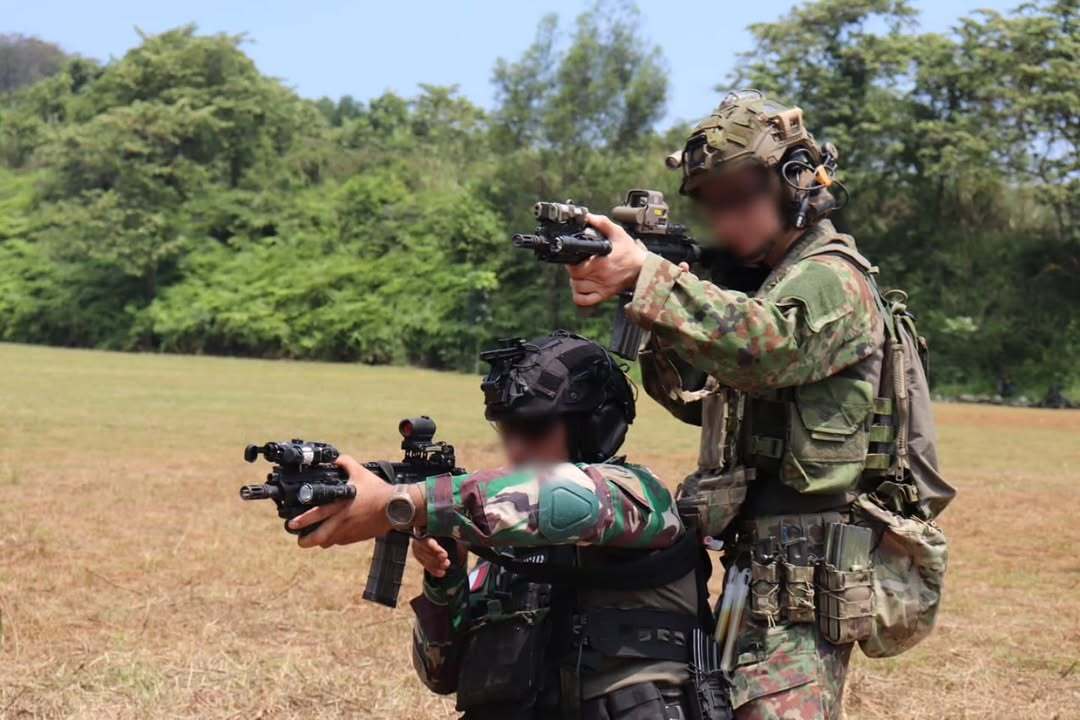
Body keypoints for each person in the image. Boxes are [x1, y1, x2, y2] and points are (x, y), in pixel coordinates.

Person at [564, 90, 894, 719]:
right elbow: (707, 401)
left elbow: (769, 348)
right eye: (711, 202)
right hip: (753, 564)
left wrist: (653, 282)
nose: (724, 218)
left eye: (740, 195)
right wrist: (655, 306)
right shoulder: (771, 284)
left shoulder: (832, 278)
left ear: (796, 181)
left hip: (806, 571)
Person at [289, 331, 729, 720]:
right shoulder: (504, 535)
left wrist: (402, 503)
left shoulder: (636, 495)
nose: (515, 447)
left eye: (534, 429)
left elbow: (556, 498)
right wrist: (447, 578)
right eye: (508, 429)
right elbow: (440, 676)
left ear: (593, 426)